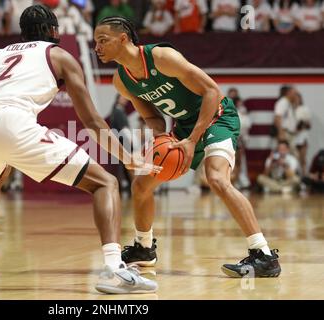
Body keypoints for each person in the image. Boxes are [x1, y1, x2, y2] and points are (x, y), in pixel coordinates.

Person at [0, 4, 159, 294]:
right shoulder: (60, 55)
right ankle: (114, 269)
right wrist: (127, 159)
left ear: (22, 32)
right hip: (12, 123)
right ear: (55, 31)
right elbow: (91, 121)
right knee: (106, 183)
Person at [93, 16, 281, 278]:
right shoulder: (122, 80)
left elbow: (211, 91)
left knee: (216, 178)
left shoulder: (161, 57)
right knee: (141, 184)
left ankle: (264, 255)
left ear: (123, 39)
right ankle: (144, 248)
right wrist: (159, 140)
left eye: (103, 40)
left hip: (217, 116)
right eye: (95, 42)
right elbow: (152, 117)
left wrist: (193, 141)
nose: (97, 47)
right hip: (182, 126)